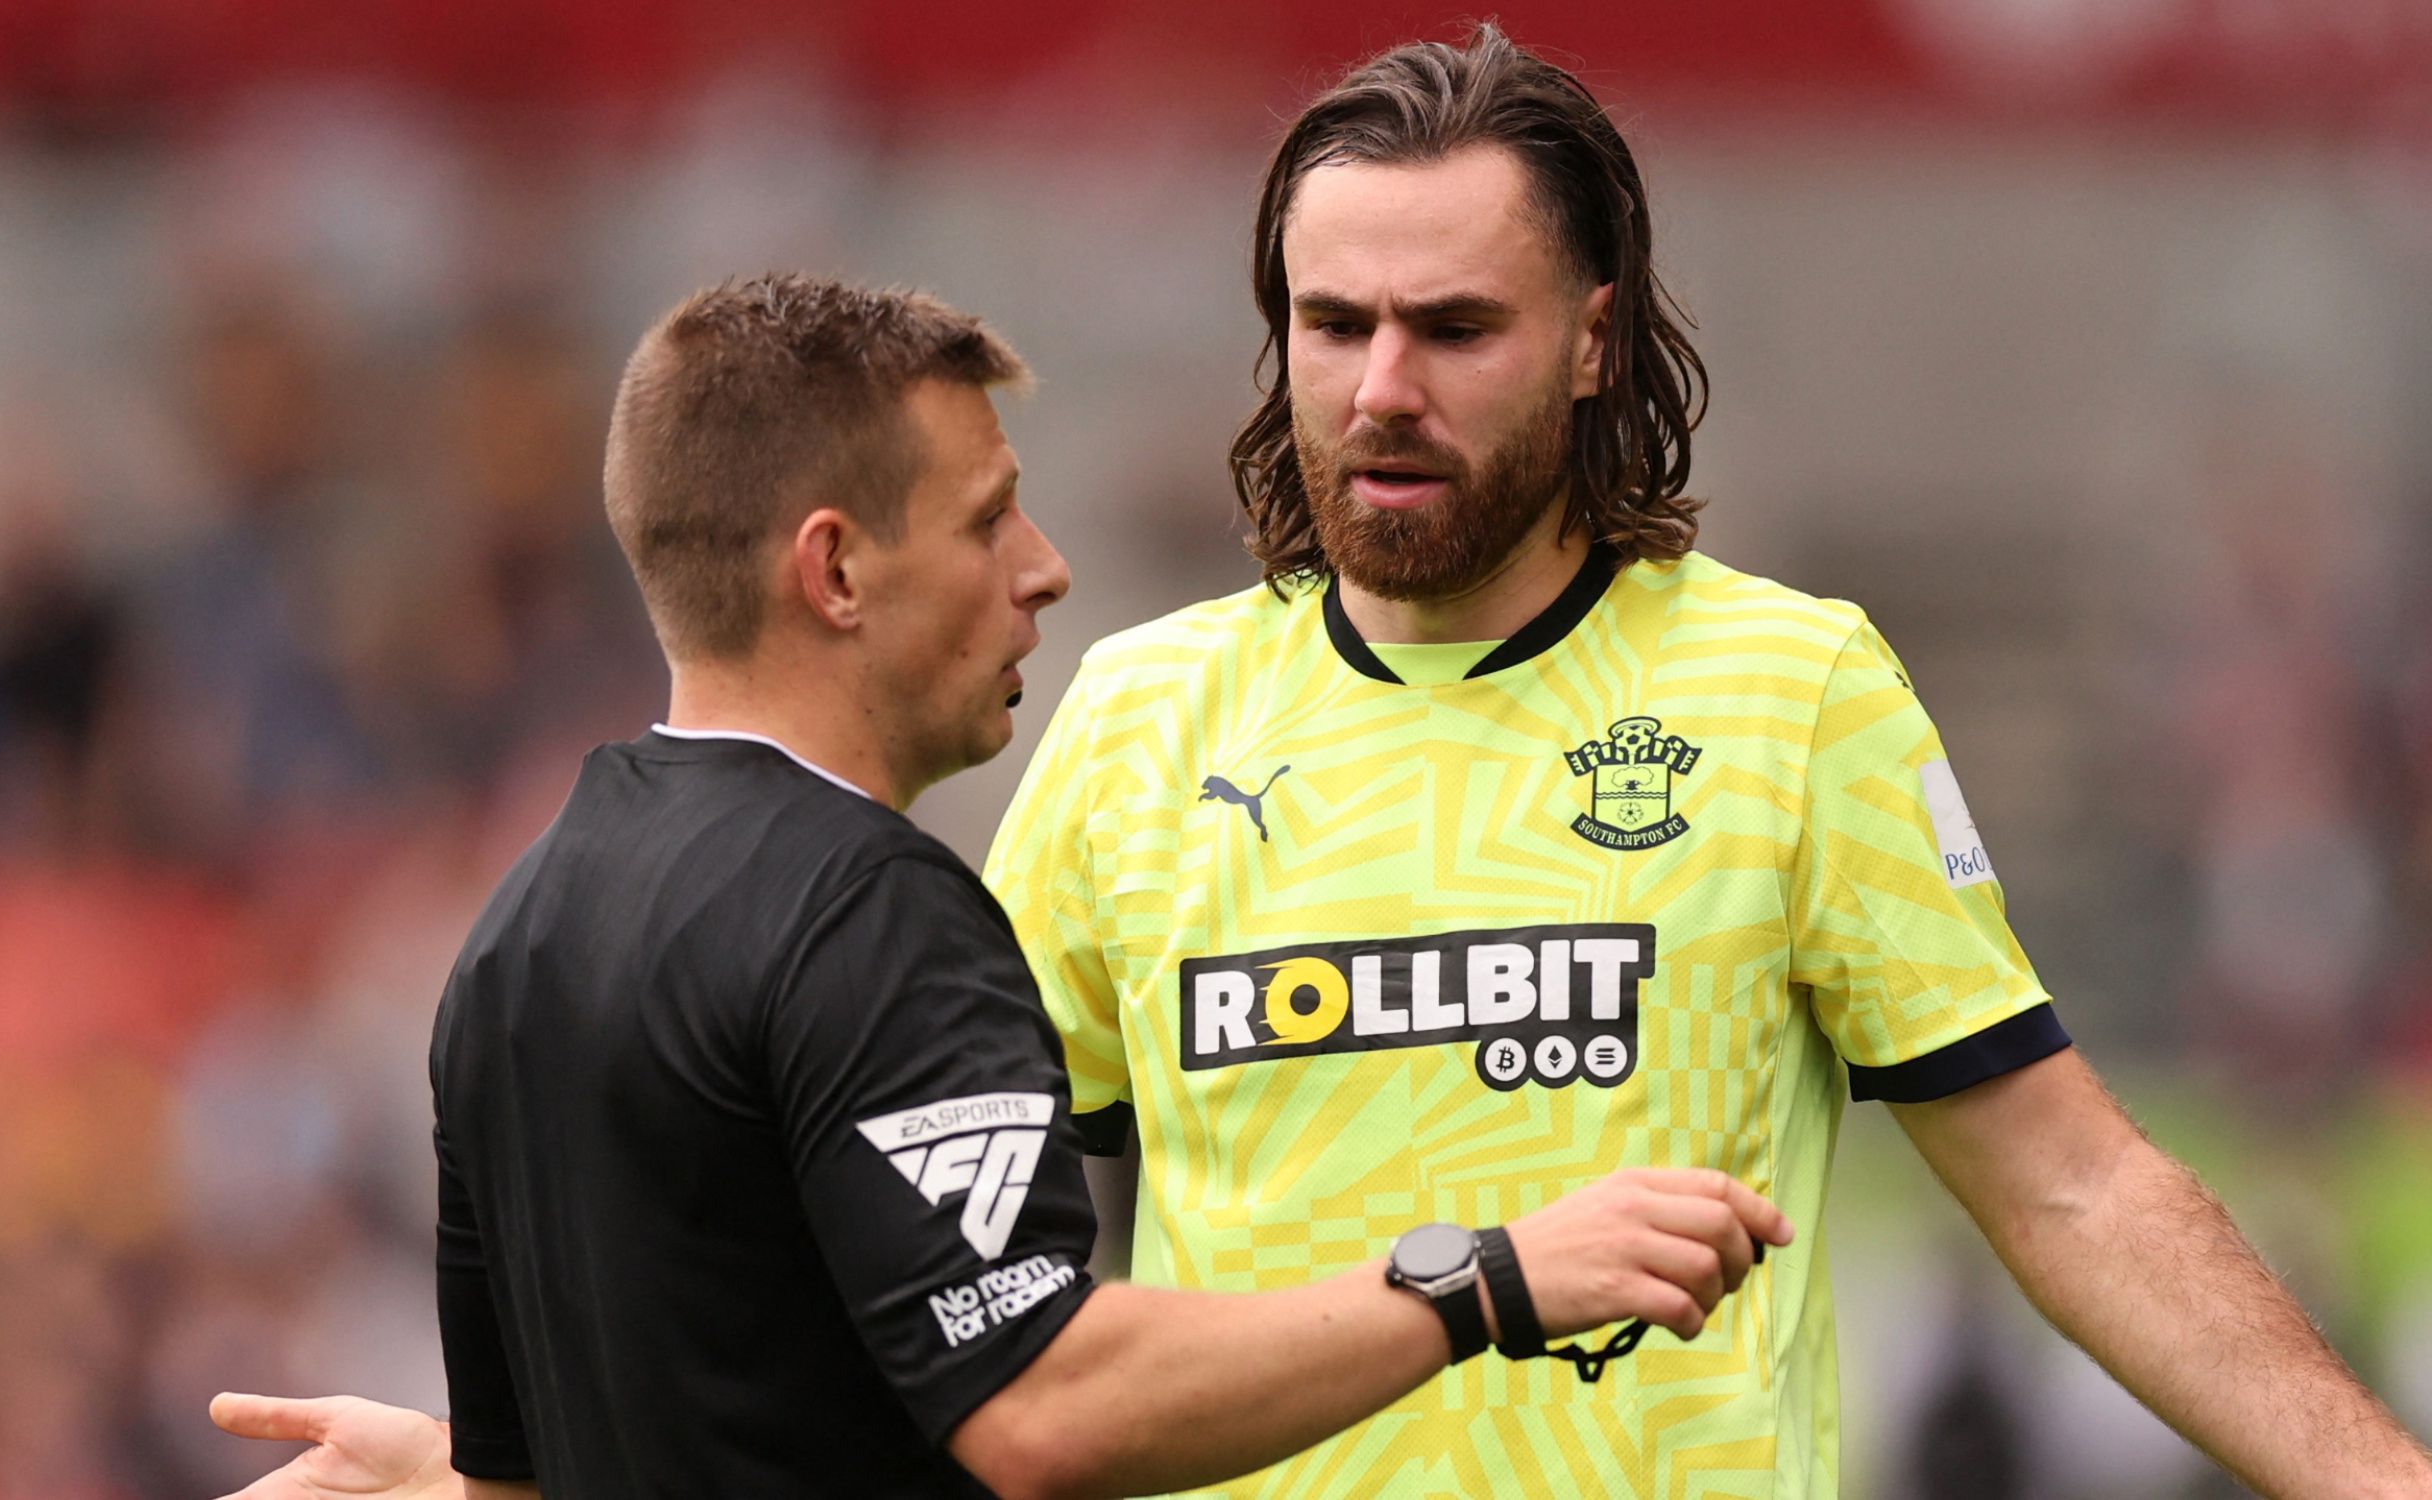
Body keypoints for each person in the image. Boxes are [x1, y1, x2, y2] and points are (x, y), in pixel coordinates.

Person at [227, 30, 2432, 1500]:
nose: (1378, 382)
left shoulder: (1787, 692)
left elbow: (2072, 1188)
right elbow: (961, 1332)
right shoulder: (1138, 725)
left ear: (1597, 340)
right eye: (1330, 318)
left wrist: (2391, 1485)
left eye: (1454, 325)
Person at [206, 274, 1790, 1500]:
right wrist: (1490, 1275)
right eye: (986, 519)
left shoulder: (518, 932)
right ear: (833, 572)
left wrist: (436, 1473)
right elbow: (1042, 1401)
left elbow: (535, 1476)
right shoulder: (871, 915)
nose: (1044, 565)